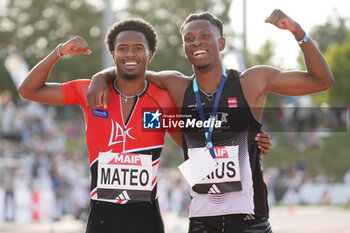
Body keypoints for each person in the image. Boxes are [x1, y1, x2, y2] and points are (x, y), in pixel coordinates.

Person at [16, 17, 272, 232]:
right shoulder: (91, 93)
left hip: (146, 217)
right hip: (102, 216)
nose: (130, 54)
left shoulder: (161, 100)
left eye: (138, 48)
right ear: (112, 53)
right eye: (123, 48)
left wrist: (248, 143)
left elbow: (193, 146)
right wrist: (59, 52)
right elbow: (28, 90)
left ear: (149, 54)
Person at [87, 9, 334, 233]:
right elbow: (131, 69)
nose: (197, 42)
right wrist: (100, 76)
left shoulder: (251, 82)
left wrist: (297, 31)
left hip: (250, 219)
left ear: (221, 42)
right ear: (184, 48)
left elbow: (321, 80)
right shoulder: (176, 85)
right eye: (189, 39)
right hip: (202, 221)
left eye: (205, 35)